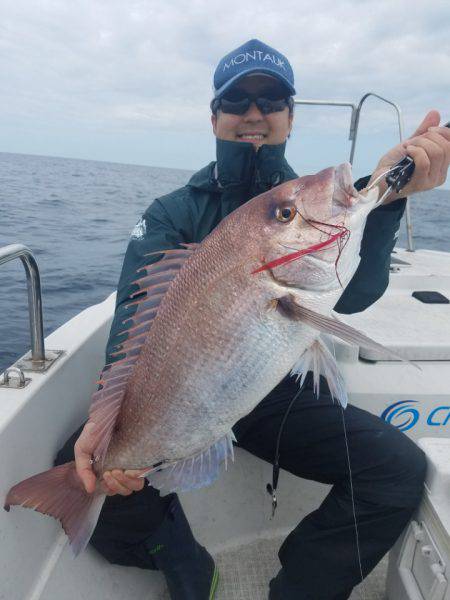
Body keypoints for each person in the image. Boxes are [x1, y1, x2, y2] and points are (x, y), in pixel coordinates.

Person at [56, 39, 450, 600]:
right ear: (214, 116)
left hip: (276, 387)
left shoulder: (316, 201)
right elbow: (132, 322)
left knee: (396, 473)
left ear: (290, 117)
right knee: (81, 468)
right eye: (237, 99)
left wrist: (385, 203)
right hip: (181, 389)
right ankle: (193, 568)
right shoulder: (173, 211)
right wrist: (107, 421)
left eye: (272, 100)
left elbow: (355, 296)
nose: (254, 113)